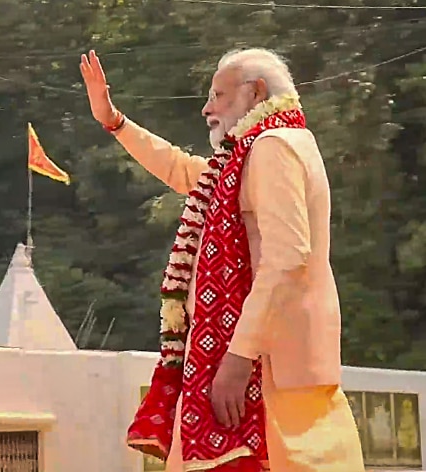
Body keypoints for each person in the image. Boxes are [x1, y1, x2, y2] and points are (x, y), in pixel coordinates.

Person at [79, 48, 365, 471]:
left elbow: (287, 259)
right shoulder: (246, 158)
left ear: (256, 93)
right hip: (268, 363)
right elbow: (181, 170)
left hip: (267, 369)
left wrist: (237, 357)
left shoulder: (273, 148)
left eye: (219, 95)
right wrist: (113, 120)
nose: (206, 108)